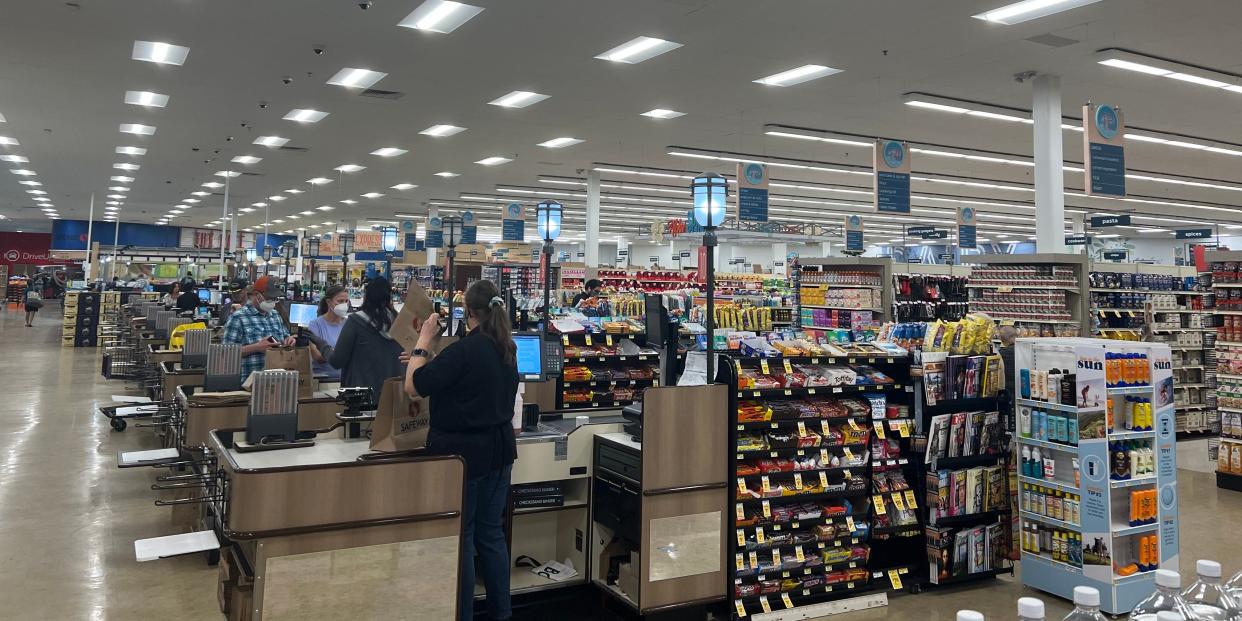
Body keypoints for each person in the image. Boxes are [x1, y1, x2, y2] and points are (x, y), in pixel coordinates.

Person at [404, 280, 518, 621]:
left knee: (463, 538)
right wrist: (429, 359)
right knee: (491, 534)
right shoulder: (505, 347)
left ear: (467, 311)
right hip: (499, 453)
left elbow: (414, 387)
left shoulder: (465, 350)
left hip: (464, 457)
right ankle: (502, 612)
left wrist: (423, 342)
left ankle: (462, 614)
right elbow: (466, 378)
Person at [328, 277, 404, 402]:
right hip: (393, 398)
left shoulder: (355, 322)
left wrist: (322, 345)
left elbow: (337, 361)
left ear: (366, 296)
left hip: (360, 398)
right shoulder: (401, 323)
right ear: (389, 297)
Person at [221, 275, 296, 381]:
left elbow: (285, 339)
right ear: (256, 295)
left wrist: (289, 341)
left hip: (277, 379)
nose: (272, 302)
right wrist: (257, 347)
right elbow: (225, 353)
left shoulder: (275, 316)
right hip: (249, 382)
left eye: (275, 299)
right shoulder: (238, 318)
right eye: (269, 298)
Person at [305, 285, 348, 380]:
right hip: (324, 379)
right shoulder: (315, 325)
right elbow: (318, 356)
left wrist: (330, 351)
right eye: (340, 301)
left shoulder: (348, 324)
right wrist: (343, 353)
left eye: (346, 301)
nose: (344, 305)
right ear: (329, 302)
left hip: (344, 379)